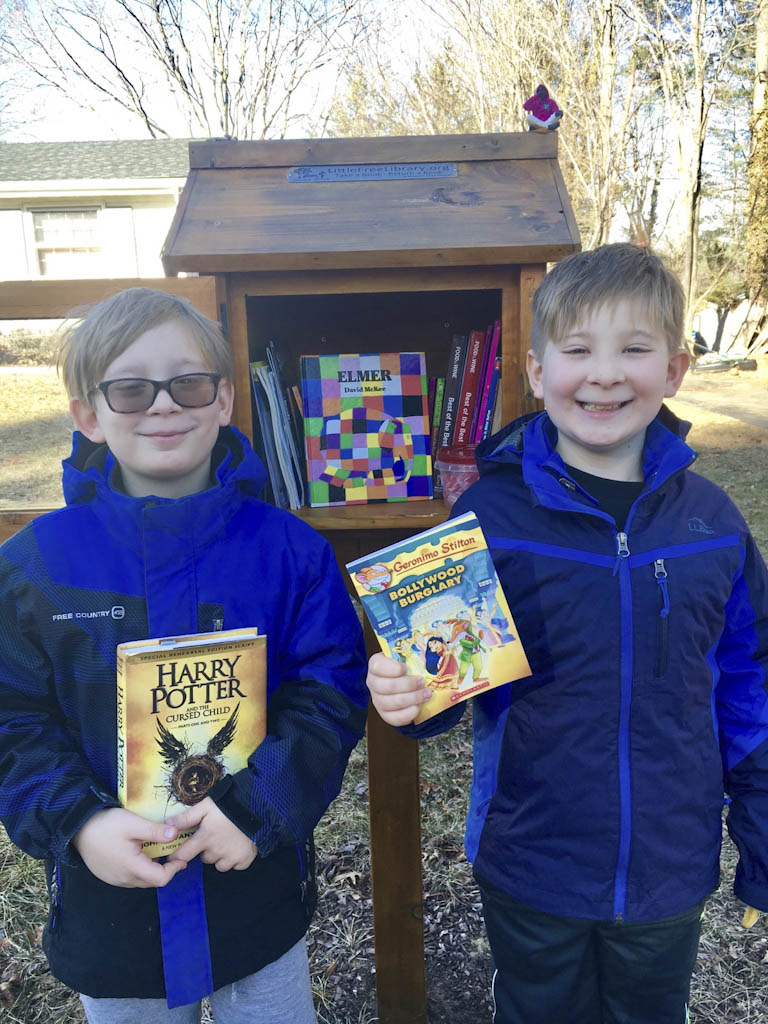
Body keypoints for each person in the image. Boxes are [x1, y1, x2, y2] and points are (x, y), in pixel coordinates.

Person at [366, 244, 768, 1023]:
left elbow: (751, 686)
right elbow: (445, 686)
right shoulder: (490, 517)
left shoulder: (712, 524)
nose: (605, 374)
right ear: (538, 372)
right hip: (532, 859)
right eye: (579, 350)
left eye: (635, 349)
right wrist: (410, 694)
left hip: (669, 867)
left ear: (676, 370)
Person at [0, 288, 368, 1024]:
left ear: (225, 399)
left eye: (188, 383)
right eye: (131, 389)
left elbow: (329, 696)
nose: (163, 406)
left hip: (253, 896)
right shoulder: (35, 566)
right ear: (87, 414)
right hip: (114, 912)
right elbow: (12, 719)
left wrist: (255, 811)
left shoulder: (290, 552)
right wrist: (80, 824)